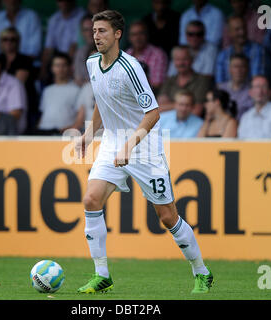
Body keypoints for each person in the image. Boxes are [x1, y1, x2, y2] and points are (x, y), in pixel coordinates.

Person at [74, 10, 213, 294]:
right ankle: (102, 275)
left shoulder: (131, 67)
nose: (96, 36)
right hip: (113, 142)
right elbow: (102, 101)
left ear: (117, 34)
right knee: (90, 199)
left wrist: (130, 145)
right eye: (93, 30)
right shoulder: (91, 63)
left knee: (167, 217)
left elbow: (153, 113)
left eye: (102, 31)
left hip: (143, 146)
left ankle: (202, 271)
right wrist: (89, 134)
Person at [0, 27, 38, 132]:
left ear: (18, 42)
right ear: (0, 42)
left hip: (22, 101)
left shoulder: (24, 60)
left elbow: (18, 83)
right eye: (5, 39)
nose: (9, 42)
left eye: (12, 39)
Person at [157, 45, 213, 115]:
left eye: (185, 59)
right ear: (173, 61)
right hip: (168, 124)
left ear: (192, 60)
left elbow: (196, 112)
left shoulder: (202, 81)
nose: (181, 63)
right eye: (177, 59)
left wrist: (170, 105)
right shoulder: (169, 80)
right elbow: (158, 109)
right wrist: (184, 105)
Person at [40, 0, 86, 82]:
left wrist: (64, 67)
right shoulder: (54, 19)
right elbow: (48, 48)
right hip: (59, 60)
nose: (63, 3)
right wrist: (43, 69)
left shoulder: (82, 16)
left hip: (77, 59)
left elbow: (74, 46)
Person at [36, 53, 81, 135]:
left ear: (69, 68)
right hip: (43, 131)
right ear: (52, 68)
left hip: (62, 133)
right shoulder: (47, 90)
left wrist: (69, 130)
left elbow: (80, 116)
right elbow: (43, 114)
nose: (60, 69)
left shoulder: (77, 90)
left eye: (64, 65)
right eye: (57, 65)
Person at [216, 15, 265, 84]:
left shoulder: (257, 50)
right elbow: (219, 84)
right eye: (237, 29)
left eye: (243, 28)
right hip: (227, 93)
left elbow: (257, 80)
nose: (242, 32)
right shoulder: (223, 55)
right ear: (229, 32)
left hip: (252, 93)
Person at [126, 20, 168, 93]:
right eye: (134, 34)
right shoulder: (126, 54)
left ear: (147, 35)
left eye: (141, 33)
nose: (137, 38)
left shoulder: (158, 54)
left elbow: (157, 85)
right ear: (129, 38)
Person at [218, 53, 253, 120]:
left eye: (242, 66)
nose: (238, 70)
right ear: (229, 69)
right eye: (235, 66)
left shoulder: (253, 90)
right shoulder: (221, 88)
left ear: (247, 69)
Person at [74, 14, 97, 86]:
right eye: (86, 30)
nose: (90, 33)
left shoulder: (110, 50)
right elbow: (78, 80)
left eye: (93, 29)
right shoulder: (80, 52)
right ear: (82, 33)